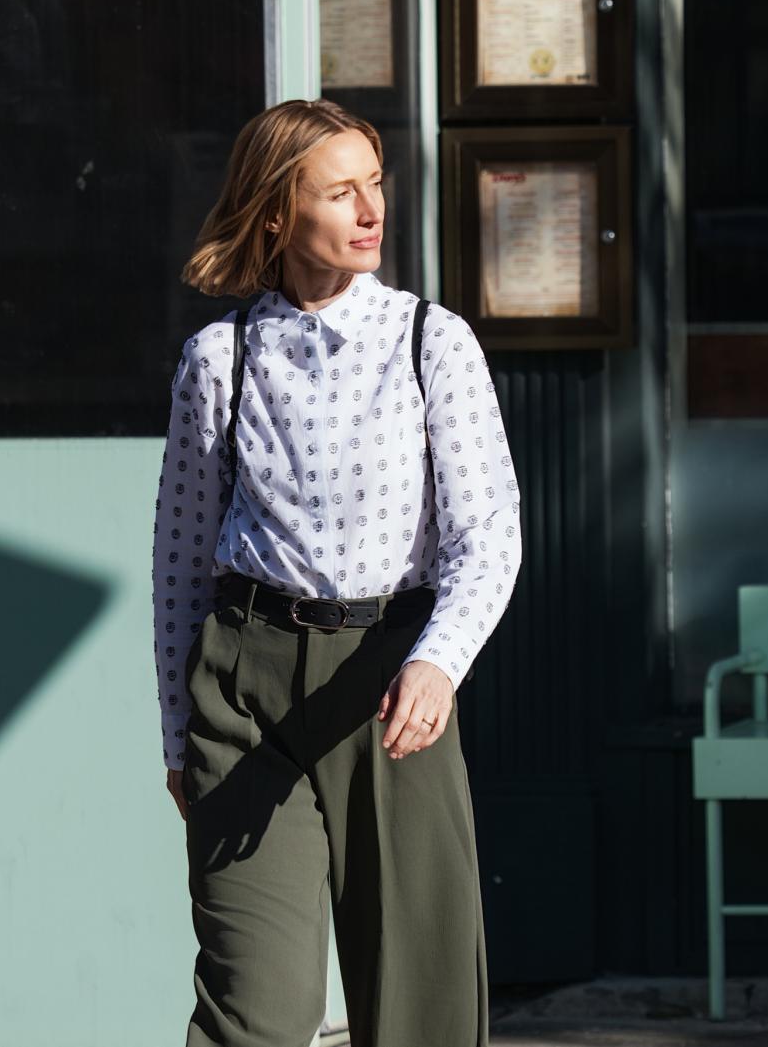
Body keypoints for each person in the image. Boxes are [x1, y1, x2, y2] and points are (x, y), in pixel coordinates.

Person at [153, 97, 522, 1047]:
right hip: (245, 695)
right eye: (341, 191)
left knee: (419, 1009)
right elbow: (182, 566)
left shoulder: (429, 341)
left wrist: (439, 660)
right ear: (278, 212)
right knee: (253, 1014)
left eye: (376, 186)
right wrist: (175, 733)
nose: (371, 210)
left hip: (391, 682)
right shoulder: (218, 358)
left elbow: (487, 533)